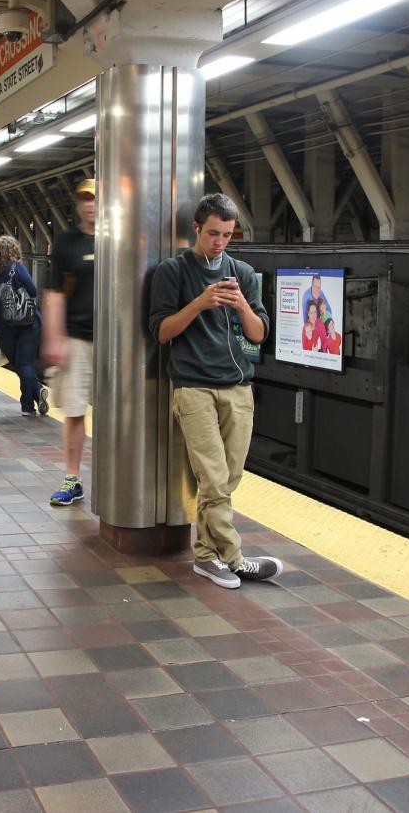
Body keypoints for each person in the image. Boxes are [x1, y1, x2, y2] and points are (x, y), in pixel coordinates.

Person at [149, 192, 282, 589]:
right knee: (212, 477)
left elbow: (258, 335)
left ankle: (207, 556)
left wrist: (242, 306)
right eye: (212, 234)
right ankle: (236, 559)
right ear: (196, 229)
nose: (219, 242)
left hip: (238, 387)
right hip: (194, 388)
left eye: (226, 235)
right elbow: (161, 332)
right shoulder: (172, 272)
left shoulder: (242, 273)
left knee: (229, 478)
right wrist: (200, 303)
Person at [43, 178, 96, 506]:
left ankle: (114, 477)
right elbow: (54, 293)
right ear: (77, 204)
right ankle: (72, 479)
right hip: (76, 338)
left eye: (95, 198)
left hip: (116, 344)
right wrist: (54, 337)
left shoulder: (121, 239)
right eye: (84, 199)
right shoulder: (66, 243)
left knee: (119, 415)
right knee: (75, 412)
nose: (89, 204)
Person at [0, 235, 49, 416]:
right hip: (28, 323)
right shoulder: (17, 267)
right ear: (14, 251)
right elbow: (33, 291)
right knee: (26, 363)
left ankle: (33, 396)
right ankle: (29, 403)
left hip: (4, 327)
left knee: (19, 365)